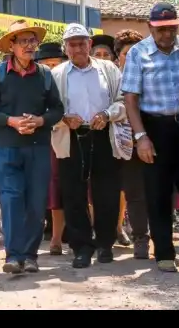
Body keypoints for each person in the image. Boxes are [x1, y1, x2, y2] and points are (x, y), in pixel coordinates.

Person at [121, 2, 179, 274]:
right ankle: (165, 254)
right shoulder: (138, 53)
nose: (167, 34)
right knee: (157, 193)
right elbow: (131, 99)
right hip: (153, 129)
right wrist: (141, 136)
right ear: (150, 27)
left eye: (171, 28)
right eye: (160, 29)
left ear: (177, 25)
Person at [0, 20, 66, 274]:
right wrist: (11, 121)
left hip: (38, 146)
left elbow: (57, 109)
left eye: (32, 40)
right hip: (7, 147)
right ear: (11, 45)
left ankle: (30, 256)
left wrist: (41, 120)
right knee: (10, 199)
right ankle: (13, 255)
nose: (30, 46)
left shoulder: (45, 75)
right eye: (24, 41)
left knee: (36, 201)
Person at [52, 24, 128, 268]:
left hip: (103, 134)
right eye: (72, 44)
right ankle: (81, 247)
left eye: (82, 43)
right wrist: (63, 117)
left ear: (90, 45)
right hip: (71, 136)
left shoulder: (109, 69)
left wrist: (107, 114)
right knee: (73, 193)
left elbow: (123, 100)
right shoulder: (57, 74)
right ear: (65, 48)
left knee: (106, 191)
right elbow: (48, 108)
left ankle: (105, 244)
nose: (78, 48)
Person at [113, 29, 150, 257]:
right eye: (127, 53)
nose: (132, 57)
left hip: (151, 139)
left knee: (156, 192)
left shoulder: (151, 76)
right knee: (134, 192)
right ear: (119, 56)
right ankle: (140, 238)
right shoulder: (112, 79)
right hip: (124, 144)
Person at [35, 42, 68, 255]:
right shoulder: (36, 81)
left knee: (62, 187)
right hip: (40, 139)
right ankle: (45, 234)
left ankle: (60, 235)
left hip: (66, 136)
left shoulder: (68, 78)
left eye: (55, 63)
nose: (52, 68)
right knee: (43, 187)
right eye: (47, 64)